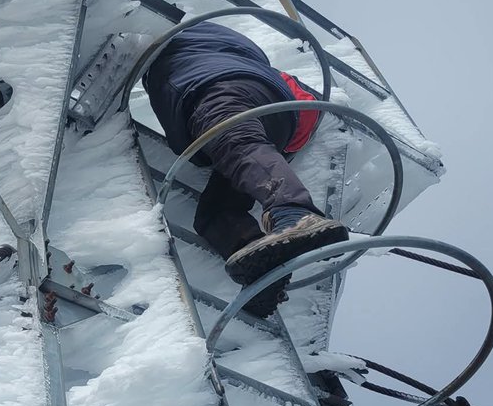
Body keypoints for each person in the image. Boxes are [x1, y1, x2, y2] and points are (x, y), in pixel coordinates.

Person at [143, 22, 347, 315]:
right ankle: (263, 266)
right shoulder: (227, 42)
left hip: (216, 91)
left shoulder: (180, 38)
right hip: (273, 114)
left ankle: (295, 212)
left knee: (238, 143)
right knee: (214, 213)